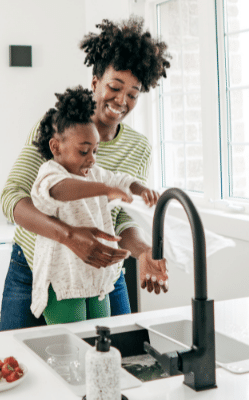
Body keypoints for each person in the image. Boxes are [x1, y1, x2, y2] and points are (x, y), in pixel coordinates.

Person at [0, 16, 171, 331]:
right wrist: (68, 237)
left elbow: (119, 217)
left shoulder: (138, 147)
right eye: (115, 87)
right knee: (25, 369)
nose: (121, 101)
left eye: (132, 94)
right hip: (38, 267)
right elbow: (12, 197)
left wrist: (141, 250)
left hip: (103, 271)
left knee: (116, 363)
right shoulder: (57, 128)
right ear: (95, 82)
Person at [30, 86, 161, 324]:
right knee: (73, 349)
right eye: (83, 151)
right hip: (64, 281)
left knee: (101, 340)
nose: (91, 158)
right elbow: (60, 189)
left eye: (95, 150)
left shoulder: (94, 172)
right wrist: (105, 190)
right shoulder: (50, 173)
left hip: (97, 278)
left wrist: (141, 190)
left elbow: (120, 179)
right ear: (56, 147)